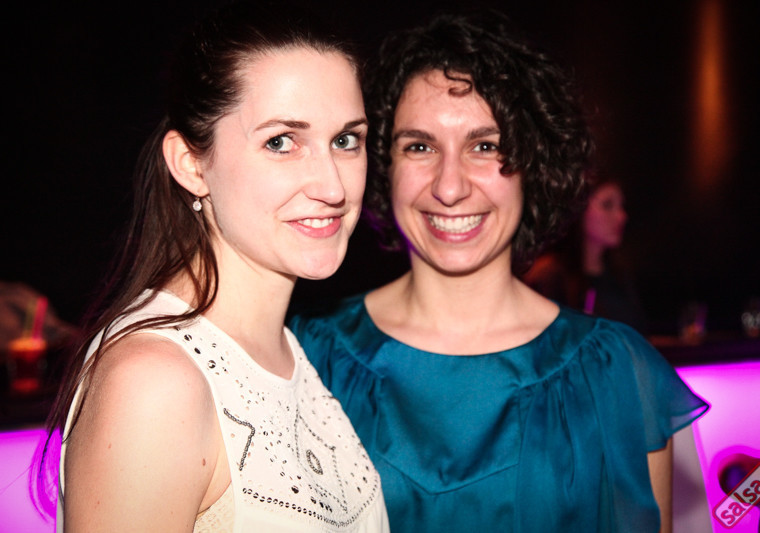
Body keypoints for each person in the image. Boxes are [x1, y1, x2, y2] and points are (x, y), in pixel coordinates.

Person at [290, 10, 707, 533]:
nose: (449, 187)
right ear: (382, 164)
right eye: (419, 146)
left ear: (535, 162)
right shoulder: (307, 356)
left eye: (486, 146)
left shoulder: (616, 371)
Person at [42, 2, 389, 531]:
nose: (333, 186)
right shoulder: (154, 383)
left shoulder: (284, 350)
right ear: (191, 165)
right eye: (281, 142)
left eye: (345, 140)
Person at [523, 175, 649, 332]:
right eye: (607, 205)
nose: (621, 216)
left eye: (621, 206)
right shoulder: (549, 277)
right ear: (578, 208)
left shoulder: (620, 275)